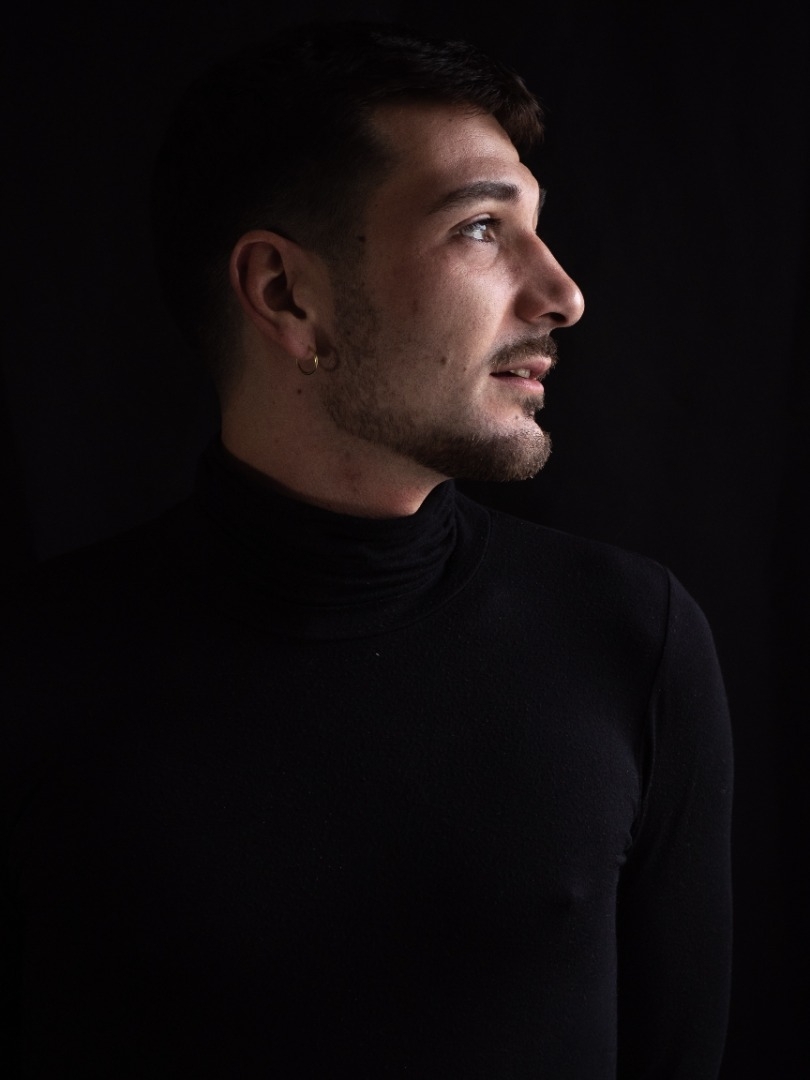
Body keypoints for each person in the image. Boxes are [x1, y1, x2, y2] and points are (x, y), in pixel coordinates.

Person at [0, 19, 732, 1078]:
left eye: (537, 228)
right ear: (286, 293)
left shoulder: (631, 640)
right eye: (480, 229)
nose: (562, 294)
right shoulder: (34, 671)